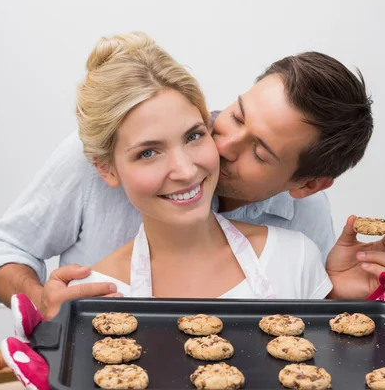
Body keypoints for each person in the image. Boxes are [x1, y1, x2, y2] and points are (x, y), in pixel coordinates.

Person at [0, 32, 385, 318]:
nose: (214, 150)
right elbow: (0, 248)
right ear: (108, 168)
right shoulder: (101, 151)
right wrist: (41, 302)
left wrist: (337, 296)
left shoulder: (303, 230)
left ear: (307, 184)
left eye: (258, 151)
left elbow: (300, 322)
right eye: (235, 115)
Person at [60, 32, 331, 303]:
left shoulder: (297, 257)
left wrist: (353, 299)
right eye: (149, 153)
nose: (187, 171)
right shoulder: (91, 293)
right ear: (106, 169)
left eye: (193, 136)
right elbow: (16, 248)